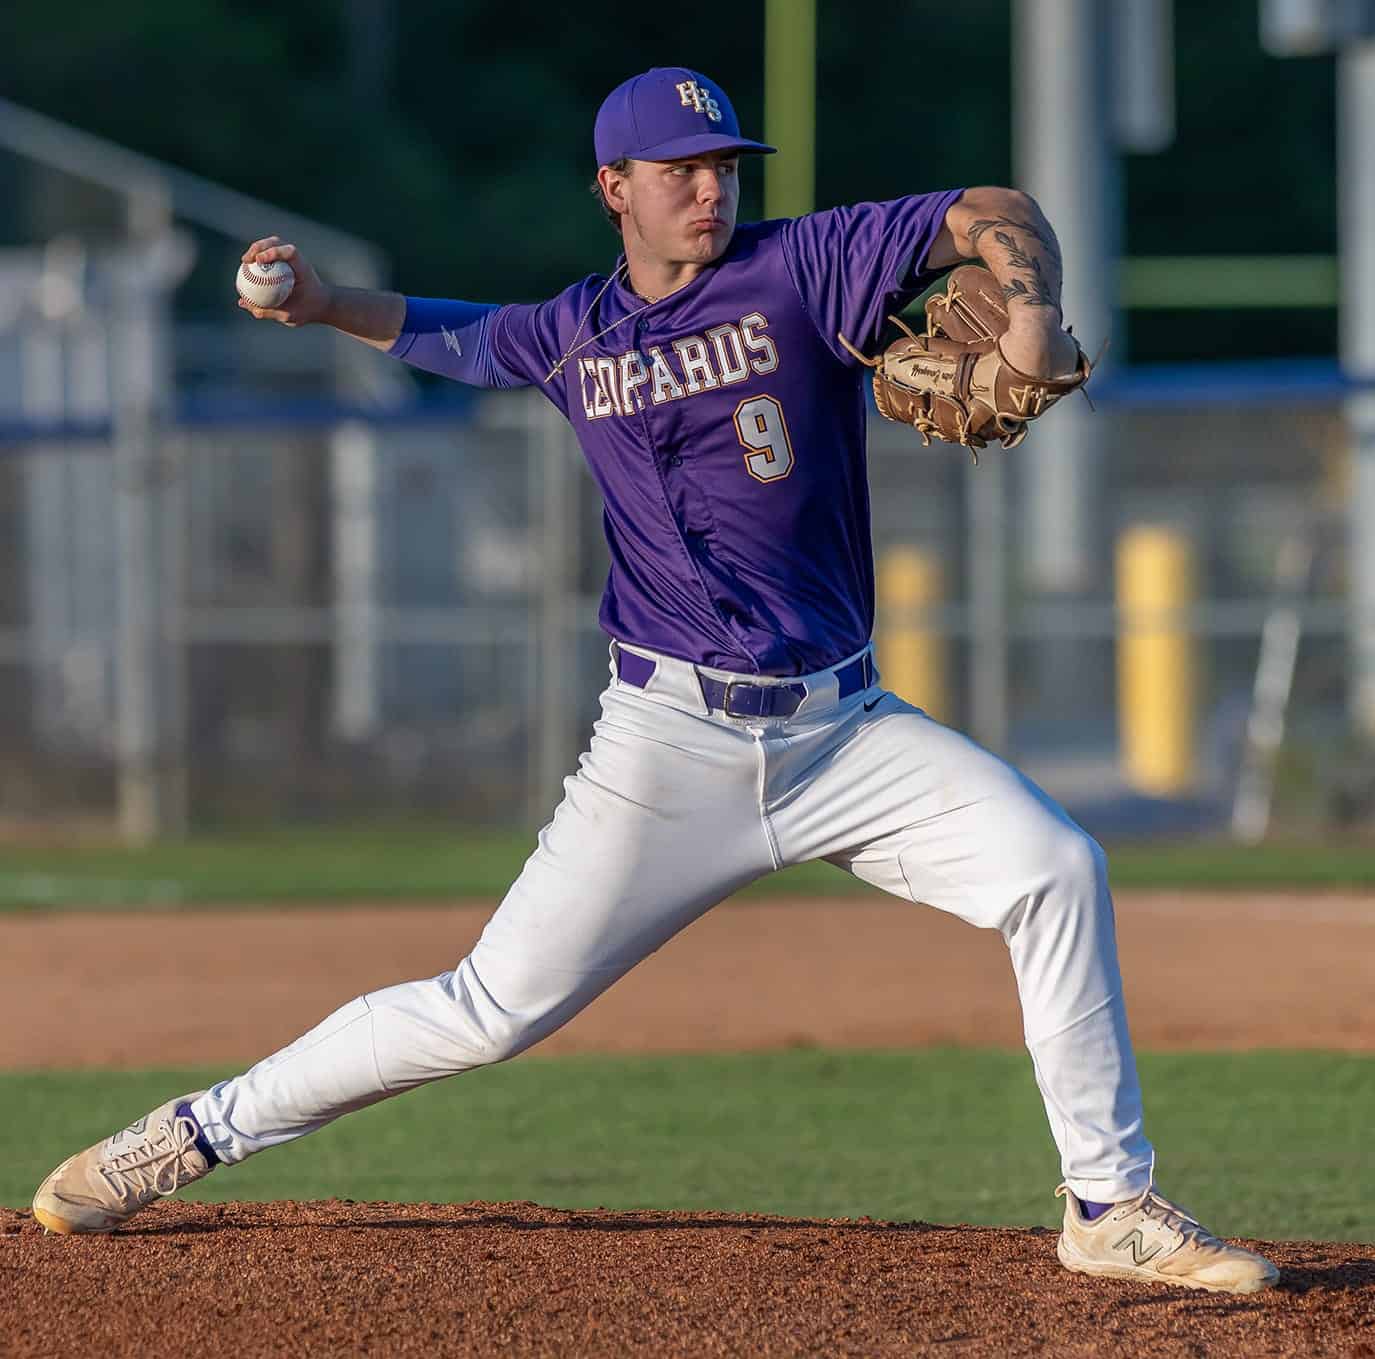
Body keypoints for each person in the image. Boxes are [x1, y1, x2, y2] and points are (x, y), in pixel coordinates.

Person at [33, 66, 1276, 1295]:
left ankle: (1107, 1206)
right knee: (487, 1009)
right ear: (612, 186)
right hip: (668, 745)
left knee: (1055, 868)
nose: (709, 189)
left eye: (724, 165)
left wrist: (1028, 311)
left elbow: (992, 206)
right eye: (681, 170)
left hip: (848, 736)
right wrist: (317, 304)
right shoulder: (576, 332)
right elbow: (452, 332)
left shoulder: (803, 269)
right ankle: (194, 1131)